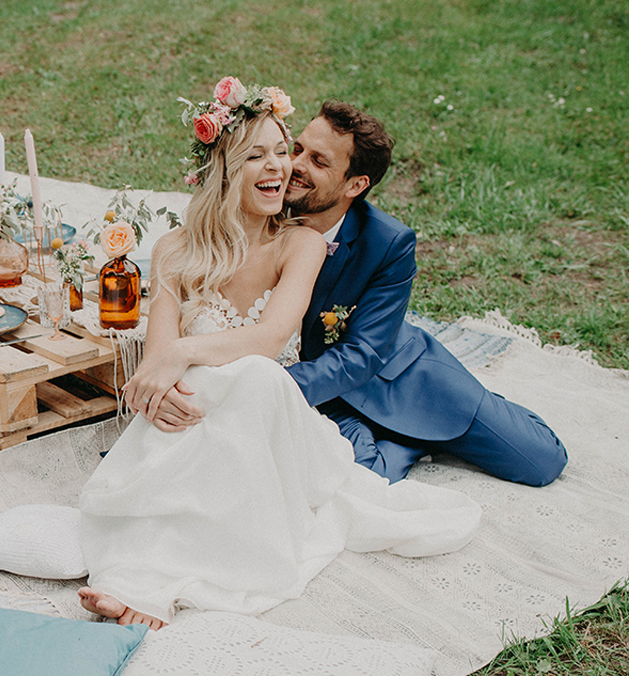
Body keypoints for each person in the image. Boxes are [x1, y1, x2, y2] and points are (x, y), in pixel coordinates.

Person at [77, 79, 481, 630]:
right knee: (200, 399)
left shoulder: (301, 243)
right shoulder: (173, 250)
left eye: (281, 151)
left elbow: (268, 341)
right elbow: (157, 353)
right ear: (224, 168)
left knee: (256, 379)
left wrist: (181, 358)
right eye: (258, 155)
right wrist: (162, 387)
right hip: (189, 414)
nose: (280, 168)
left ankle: (153, 581)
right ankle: (142, 575)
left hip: (272, 418)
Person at [281, 101, 567, 486]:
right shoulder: (264, 210)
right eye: (297, 149)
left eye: (319, 161)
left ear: (355, 184)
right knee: (361, 483)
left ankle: (466, 406)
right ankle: (408, 443)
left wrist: (276, 386)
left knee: (542, 461)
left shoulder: (388, 241)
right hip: (326, 399)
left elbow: (364, 352)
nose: (296, 166)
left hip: (396, 375)